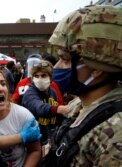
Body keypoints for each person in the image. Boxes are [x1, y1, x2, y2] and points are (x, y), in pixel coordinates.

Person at [42, 5, 122, 167]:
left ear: (97, 69)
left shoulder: (116, 133)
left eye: (65, 59)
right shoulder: (79, 104)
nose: (56, 66)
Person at [21, 60, 68, 156]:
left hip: (50, 138)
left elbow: (56, 117)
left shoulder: (53, 92)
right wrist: (58, 109)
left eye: (43, 75)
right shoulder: (29, 94)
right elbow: (38, 107)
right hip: (34, 142)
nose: (40, 79)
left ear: (50, 78)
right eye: (36, 76)